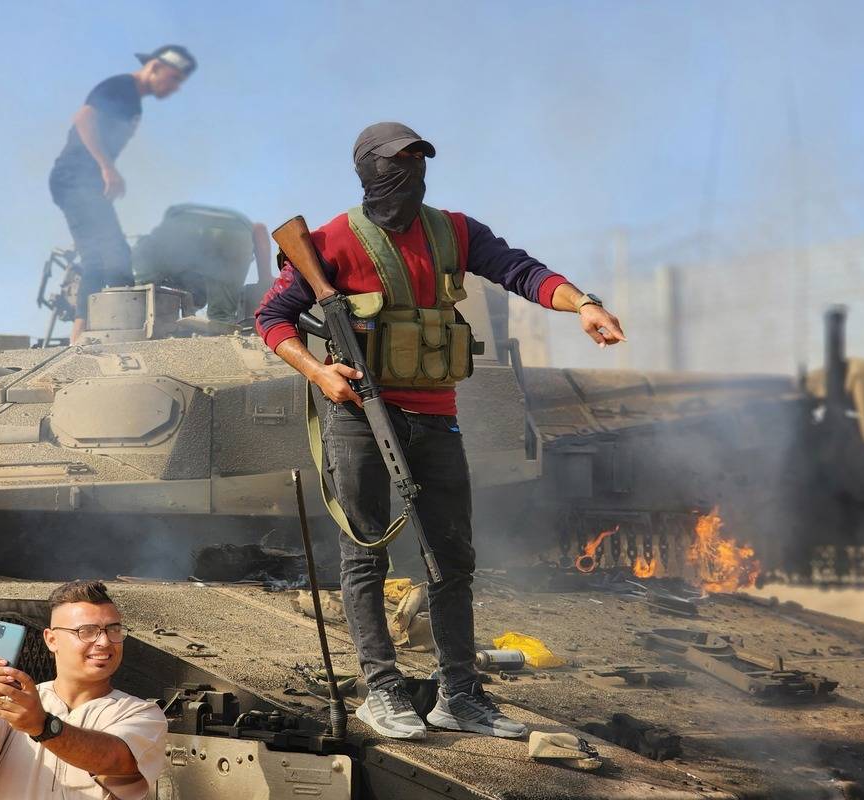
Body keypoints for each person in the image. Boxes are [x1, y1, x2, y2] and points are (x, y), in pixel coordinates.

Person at [255, 122, 625, 741]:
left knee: (452, 560)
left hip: (435, 416)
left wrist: (583, 302)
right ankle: (382, 691)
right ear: (369, 171)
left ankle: (460, 695)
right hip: (359, 417)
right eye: (397, 163)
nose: (410, 173)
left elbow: (520, 271)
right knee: (365, 554)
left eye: (418, 161)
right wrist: (320, 372)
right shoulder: (327, 241)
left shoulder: (454, 231)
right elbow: (270, 319)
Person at [0, 580, 168, 798]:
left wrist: (42, 726)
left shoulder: (141, 713)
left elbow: (115, 759)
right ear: (51, 640)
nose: (105, 642)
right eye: (87, 631)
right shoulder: (10, 702)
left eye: (114, 629)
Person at [49, 46, 196, 342]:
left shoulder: (134, 103)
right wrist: (107, 167)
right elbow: (83, 118)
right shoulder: (121, 88)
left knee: (109, 257)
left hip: (87, 185)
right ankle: (96, 337)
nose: (175, 86)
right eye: (173, 77)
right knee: (108, 257)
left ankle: (89, 335)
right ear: (154, 66)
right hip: (75, 179)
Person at [131, 203, 273, 323]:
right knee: (220, 318)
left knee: (145, 297)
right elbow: (259, 229)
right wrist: (265, 278)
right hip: (235, 231)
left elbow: (144, 252)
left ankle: (140, 313)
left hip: (182, 223)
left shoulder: (181, 273)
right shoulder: (206, 278)